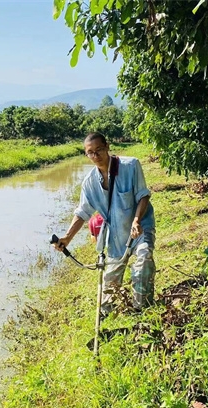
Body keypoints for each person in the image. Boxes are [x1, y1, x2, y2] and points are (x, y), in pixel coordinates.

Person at [53, 132, 156, 316]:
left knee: (144, 258)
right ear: (86, 154)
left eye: (99, 150)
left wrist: (136, 220)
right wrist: (67, 238)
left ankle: (142, 309)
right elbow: (82, 213)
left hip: (140, 227)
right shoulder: (89, 183)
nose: (95, 155)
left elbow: (143, 195)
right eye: (90, 152)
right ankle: (107, 313)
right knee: (109, 287)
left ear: (107, 146)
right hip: (116, 236)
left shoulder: (131, 165)